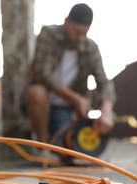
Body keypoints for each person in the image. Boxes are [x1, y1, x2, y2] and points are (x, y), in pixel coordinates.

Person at [22, 3, 116, 150]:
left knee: (64, 148)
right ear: (66, 22)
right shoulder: (48, 34)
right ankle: (42, 149)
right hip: (43, 104)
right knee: (37, 92)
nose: (80, 38)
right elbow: (42, 73)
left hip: (68, 109)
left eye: (84, 33)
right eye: (77, 32)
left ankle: (61, 149)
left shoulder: (91, 48)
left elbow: (104, 82)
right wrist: (75, 98)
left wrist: (107, 110)